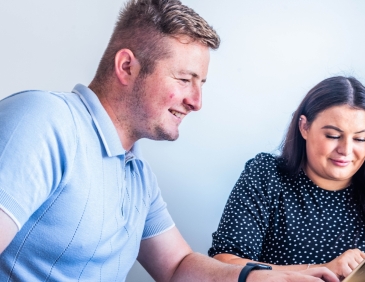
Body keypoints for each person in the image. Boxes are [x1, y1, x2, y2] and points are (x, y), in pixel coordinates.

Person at [0, 0, 339, 281]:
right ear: (127, 67)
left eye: (201, 83)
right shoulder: (44, 120)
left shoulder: (136, 173)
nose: (196, 101)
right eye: (184, 79)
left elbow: (177, 267)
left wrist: (259, 277)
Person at [209, 76, 365, 281]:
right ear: (304, 127)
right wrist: (322, 270)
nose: (346, 150)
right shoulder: (267, 177)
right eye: (333, 136)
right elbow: (224, 263)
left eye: (360, 138)